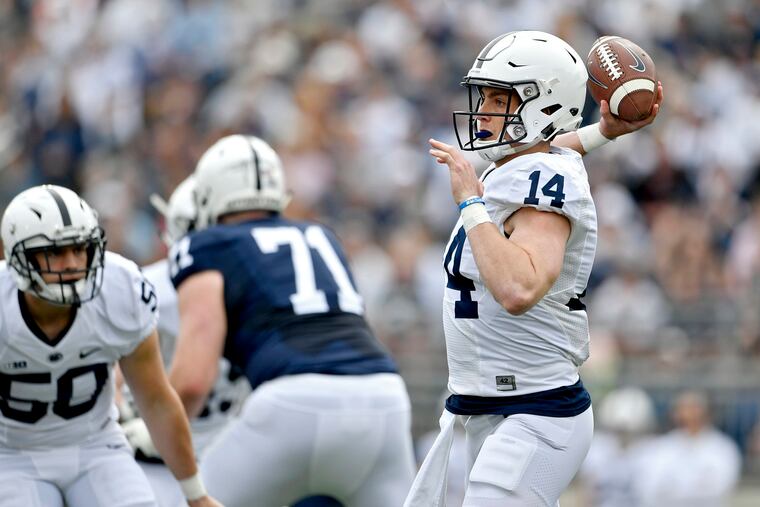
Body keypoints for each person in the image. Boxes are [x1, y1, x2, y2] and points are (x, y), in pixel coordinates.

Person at [405, 30, 662, 507]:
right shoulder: (529, 161)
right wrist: (602, 131)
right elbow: (550, 149)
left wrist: (471, 204)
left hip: (532, 409)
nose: (482, 110)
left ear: (542, 105)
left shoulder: (541, 177)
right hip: (490, 407)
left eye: (500, 99)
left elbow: (519, 288)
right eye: (484, 96)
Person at [167, 135, 416, 507]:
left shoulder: (207, 245)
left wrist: (158, 431)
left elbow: (192, 381)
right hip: (385, 403)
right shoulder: (321, 235)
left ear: (208, 196)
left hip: (293, 407)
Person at [0, 185, 221, 507]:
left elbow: (156, 399)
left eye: (79, 248)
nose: (72, 263)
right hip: (11, 455)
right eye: (54, 252)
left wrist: (195, 494)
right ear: (19, 258)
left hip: (96, 445)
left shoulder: (119, 288)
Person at [118, 176, 251, 507]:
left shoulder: (155, 282)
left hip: (220, 440)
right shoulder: (152, 285)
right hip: (167, 448)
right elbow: (113, 370)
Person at [638, 390, 741, 507]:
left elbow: (721, 487)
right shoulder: (661, 447)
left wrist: (676, 488)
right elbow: (649, 487)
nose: (689, 414)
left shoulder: (723, 447)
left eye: (694, 408)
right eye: (684, 408)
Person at [579, 386, 658, 507]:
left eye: (627, 432)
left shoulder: (653, 452)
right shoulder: (596, 448)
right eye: (618, 431)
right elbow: (587, 494)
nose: (623, 436)